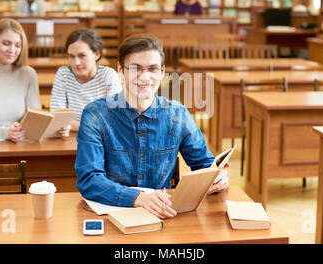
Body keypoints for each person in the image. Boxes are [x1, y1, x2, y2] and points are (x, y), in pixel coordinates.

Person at [75, 34, 229, 219]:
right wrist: (139, 198)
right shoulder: (95, 115)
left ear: (162, 72)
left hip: (162, 215)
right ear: (120, 70)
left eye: (153, 69)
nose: (145, 77)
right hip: (111, 216)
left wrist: (218, 178)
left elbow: (204, 165)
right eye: (135, 68)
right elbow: (89, 179)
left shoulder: (177, 115)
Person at [50, 29, 122, 132]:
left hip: (100, 139)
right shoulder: (63, 74)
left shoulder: (109, 76)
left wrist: (70, 125)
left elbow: (114, 122)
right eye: (71, 56)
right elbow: (57, 119)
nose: (76, 62)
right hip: (68, 138)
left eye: (82, 56)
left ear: (96, 54)